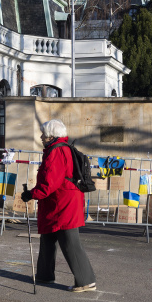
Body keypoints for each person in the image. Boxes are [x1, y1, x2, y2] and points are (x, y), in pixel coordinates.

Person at [21, 119, 96, 292]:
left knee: (70, 241)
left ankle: (86, 280)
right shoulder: (60, 148)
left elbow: (50, 182)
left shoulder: (57, 151)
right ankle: (44, 275)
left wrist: (32, 193)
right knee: (48, 238)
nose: (41, 137)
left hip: (63, 203)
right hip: (59, 201)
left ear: (51, 136)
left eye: (44, 134)